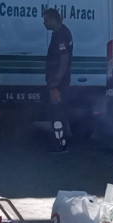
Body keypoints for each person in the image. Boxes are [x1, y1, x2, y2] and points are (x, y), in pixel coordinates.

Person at [42, 8, 73, 153]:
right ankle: (60, 142)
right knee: (58, 113)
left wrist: (55, 83)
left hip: (59, 83)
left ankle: (60, 144)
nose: (44, 23)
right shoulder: (61, 32)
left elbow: (63, 59)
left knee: (58, 114)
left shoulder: (61, 35)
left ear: (54, 19)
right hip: (59, 82)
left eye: (46, 20)